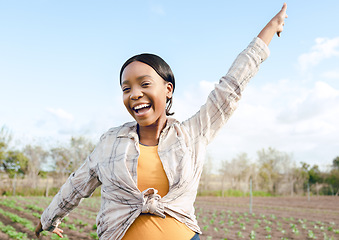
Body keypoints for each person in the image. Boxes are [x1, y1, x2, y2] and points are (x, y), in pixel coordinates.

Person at [35, 3, 288, 240]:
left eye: (145, 84)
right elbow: (77, 185)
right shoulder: (110, 142)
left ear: (168, 89)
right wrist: (48, 219)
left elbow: (230, 88)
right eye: (126, 88)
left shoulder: (192, 133)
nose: (134, 94)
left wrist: (266, 34)